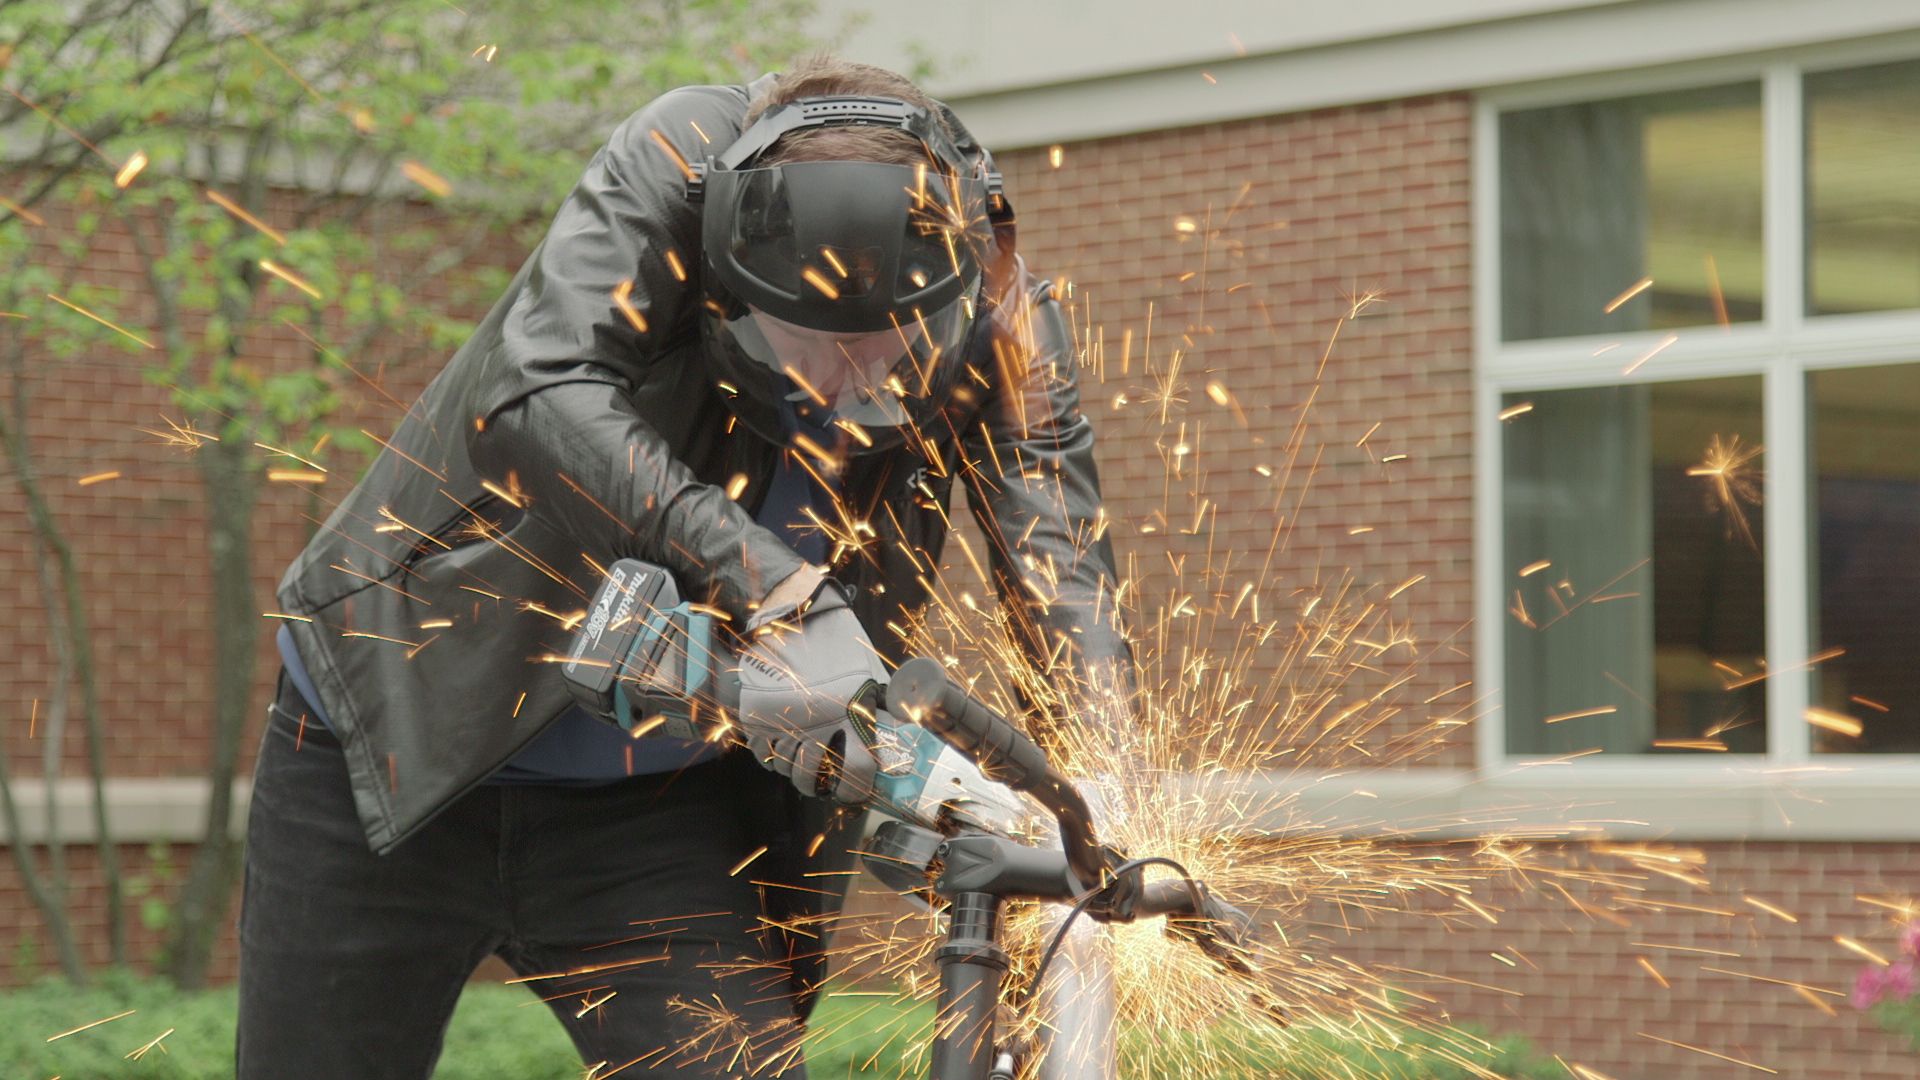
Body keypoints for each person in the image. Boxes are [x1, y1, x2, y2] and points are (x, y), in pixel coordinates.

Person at [237, 55, 1130, 1079]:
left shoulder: (996, 313)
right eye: (820, 344)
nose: (856, 381)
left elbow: (1060, 562)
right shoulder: (679, 174)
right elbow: (532, 391)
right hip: (389, 742)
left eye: (889, 345)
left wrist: (1102, 787)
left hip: (659, 820)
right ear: (739, 271)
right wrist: (778, 586)